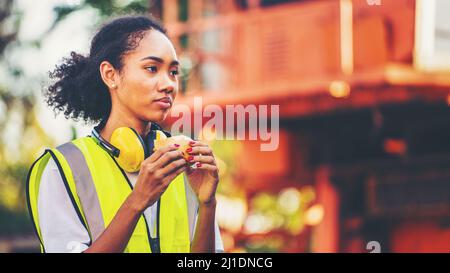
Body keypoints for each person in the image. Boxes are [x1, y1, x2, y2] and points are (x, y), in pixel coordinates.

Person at [26, 15, 223, 253]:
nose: (169, 84)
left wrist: (208, 204)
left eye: (173, 72)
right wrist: (137, 200)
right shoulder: (62, 168)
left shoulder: (186, 165)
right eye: (152, 68)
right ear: (111, 75)